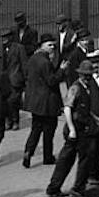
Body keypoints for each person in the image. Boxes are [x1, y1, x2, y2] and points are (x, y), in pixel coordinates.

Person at [46, 61, 99, 197]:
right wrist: (72, 129)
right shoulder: (75, 88)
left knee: (80, 158)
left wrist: (94, 118)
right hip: (76, 129)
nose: (87, 78)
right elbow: (67, 108)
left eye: (89, 75)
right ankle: (68, 188)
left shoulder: (87, 87)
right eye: (85, 75)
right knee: (71, 159)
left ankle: (67, 187)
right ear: (80, 75)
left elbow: (84, 108)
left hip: (83, 127)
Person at [21, 34, 62, 169]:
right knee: (49, 130)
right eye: (49, 45)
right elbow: (51, 80)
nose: (52, 48)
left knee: (36, 128)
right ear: (42, 46)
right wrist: (62, 70)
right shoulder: (45, 62)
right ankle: (47, 156)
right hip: (47, 101)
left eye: (53, 45)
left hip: (35, 102)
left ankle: (28, 151)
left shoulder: (33, 59)